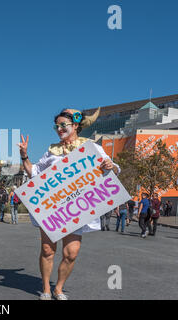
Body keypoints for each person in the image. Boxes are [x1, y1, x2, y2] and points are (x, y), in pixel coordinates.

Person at [18, 107, 120, 300]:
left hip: (79, 207)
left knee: (71, 253)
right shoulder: (52, 150)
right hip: (53, 207)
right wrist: (24, 155)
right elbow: (34, 172)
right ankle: (47, 288)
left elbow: (114, 168)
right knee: (48, 249)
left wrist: (111, 166)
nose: (59, 129)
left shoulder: (91, 147)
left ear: (75, 125)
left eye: (63, 125)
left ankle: (59, 288)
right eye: (56, 126)